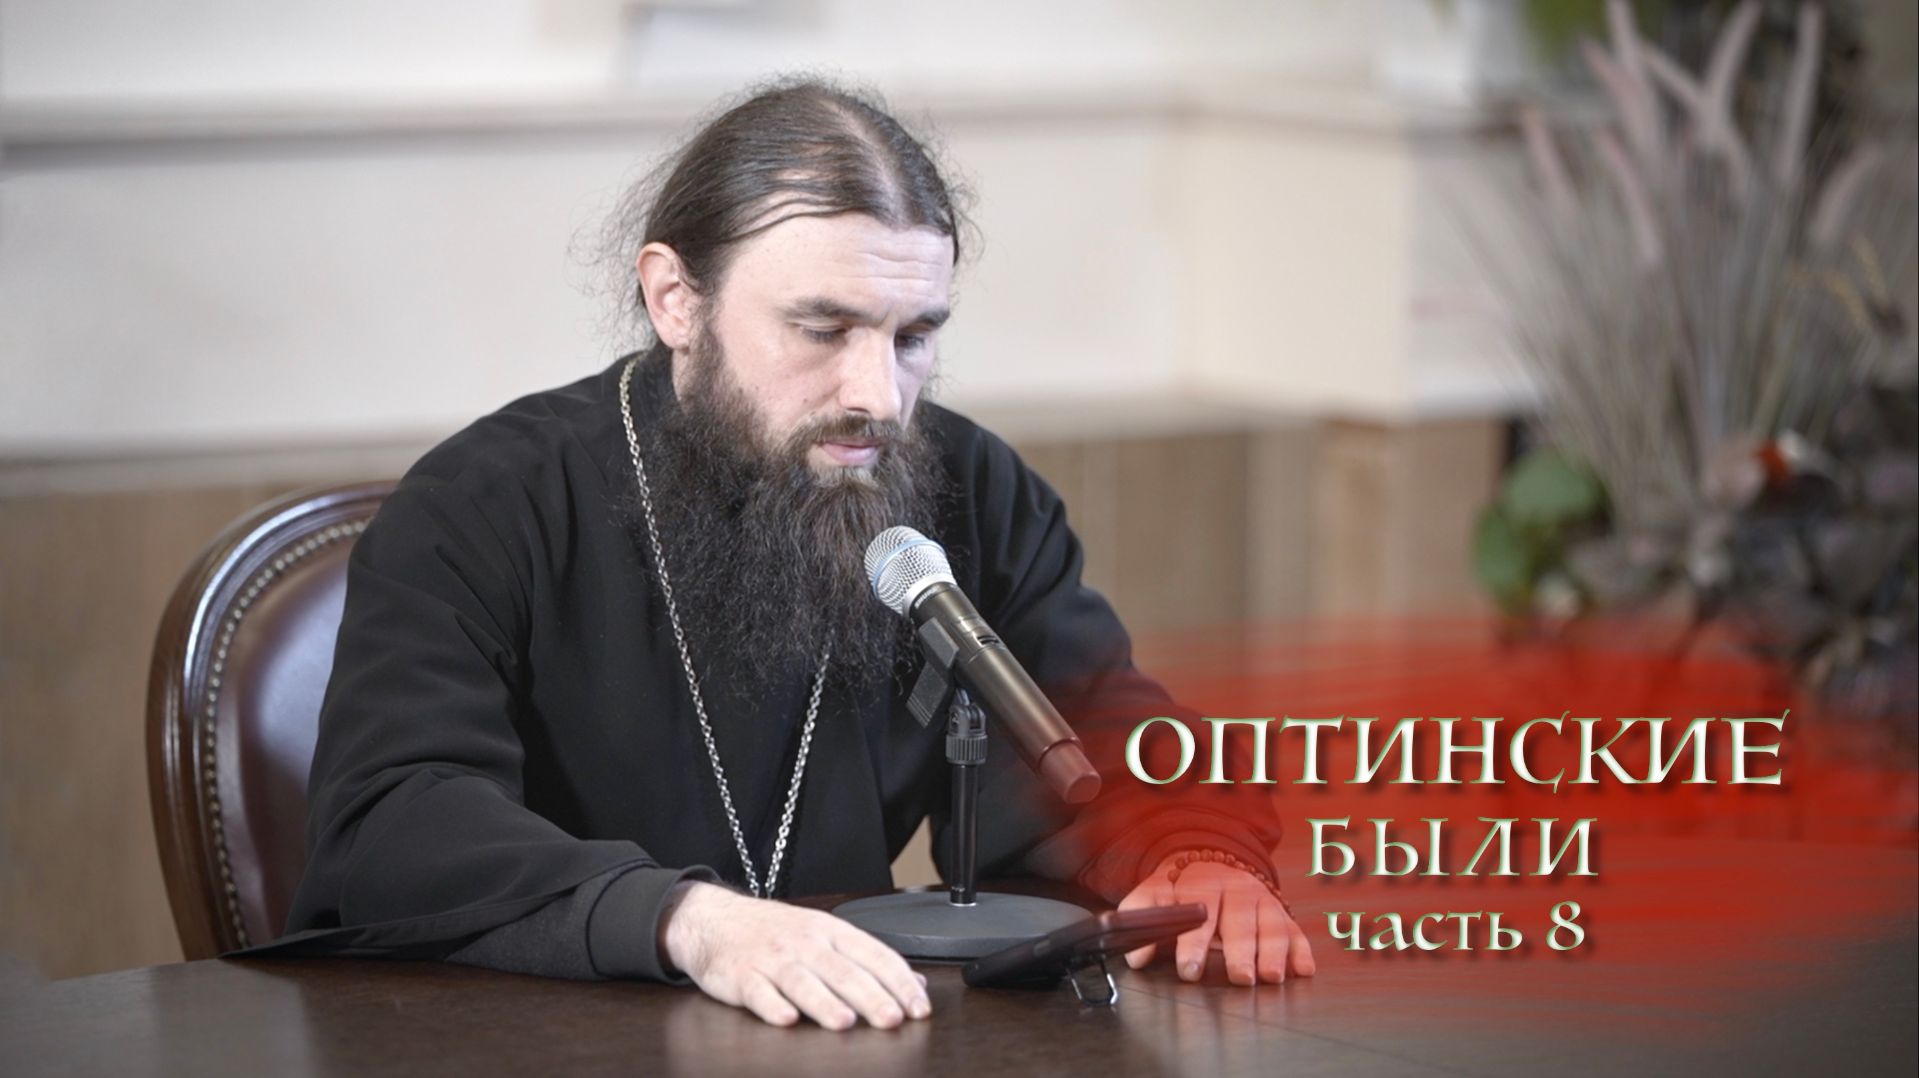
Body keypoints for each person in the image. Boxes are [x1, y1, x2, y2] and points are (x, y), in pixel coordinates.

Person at [259, 77, 1315, 1030]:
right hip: (534, 1040)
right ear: (676, 299)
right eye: (821, 328)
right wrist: (686, 920)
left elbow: (1104, 733)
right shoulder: (486, 503)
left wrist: (1195, 854)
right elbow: (395, 820)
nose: (877, 396)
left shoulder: (966, 489)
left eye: (912, 336)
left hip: (836, 1037)